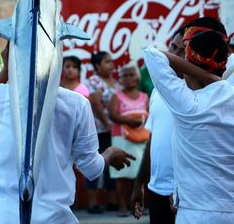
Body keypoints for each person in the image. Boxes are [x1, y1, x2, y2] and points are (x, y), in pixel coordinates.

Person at [0, 43, 136, 223]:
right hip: (52, 218)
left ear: (8, 55)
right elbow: (91, 168)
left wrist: (7, 69)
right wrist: (109, 154)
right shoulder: (76, 103)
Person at [131, 17, 229, 223]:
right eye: (174, 48)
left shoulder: (186, 101)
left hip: (192, 210)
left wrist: (207, 77)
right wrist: (140, 183)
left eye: (184, 52)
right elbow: (155, 138)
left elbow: (152, 54)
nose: (177, 56)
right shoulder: (226, 92)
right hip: (176, 195)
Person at [108, 63, 149, 217]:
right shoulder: (117, 95)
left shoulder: (144, 97)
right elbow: (112, 115)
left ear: (138, 77)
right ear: (120, 79)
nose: (129, 78)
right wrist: (129, 121)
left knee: (140, 174)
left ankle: (140, 205)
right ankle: (123, 207)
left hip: (141, 139)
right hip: (121, 139)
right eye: (125, 75)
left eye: (132, 74)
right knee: (122, 174)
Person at [85, 51, 120, 213]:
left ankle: (112, 201)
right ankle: (93, 203)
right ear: (97, 66)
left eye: (111, 61)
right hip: (98, 130)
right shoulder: (94, 81)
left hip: (113, 130)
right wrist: (106, 123)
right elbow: (96, 103)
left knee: (110, 164)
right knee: (94, 163)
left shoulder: (115, 82)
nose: (111, 64)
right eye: (106, 62)